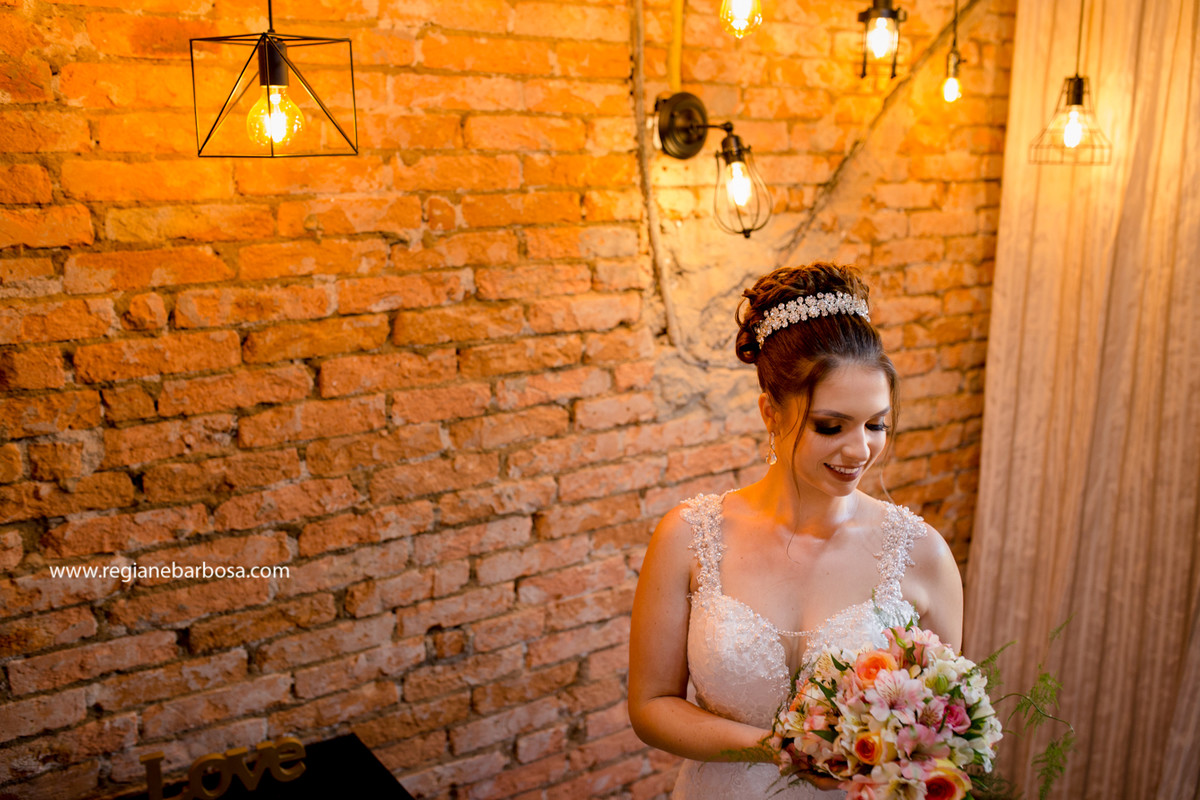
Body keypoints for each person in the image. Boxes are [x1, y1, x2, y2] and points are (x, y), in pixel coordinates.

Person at [628, 263, 964, 799]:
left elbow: (935, 729)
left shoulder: (923, 554)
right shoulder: (688, 538)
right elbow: (651, 707)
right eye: (830, 426)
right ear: (770, 413)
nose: (860, 450)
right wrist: (778, 748)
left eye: (876, 424)